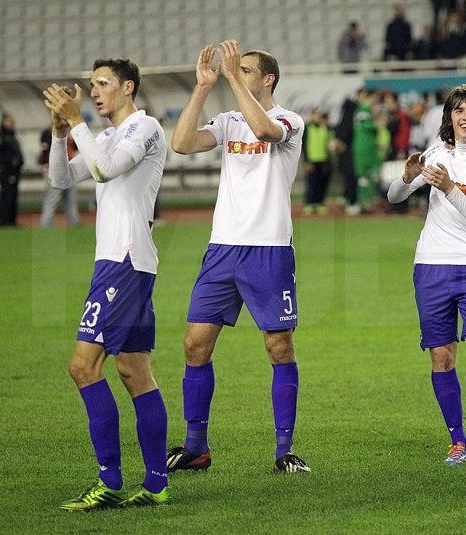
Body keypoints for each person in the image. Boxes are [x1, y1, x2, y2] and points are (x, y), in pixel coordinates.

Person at [167, 42, 310, 474]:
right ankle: (196, 447)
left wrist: (230, 78)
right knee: (194, 344)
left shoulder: (289, 121)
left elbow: (265, 132)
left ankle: (284, 451)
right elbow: (182, 143)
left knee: (278, 346)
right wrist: (202, 87)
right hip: (222, 249)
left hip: (269, 249)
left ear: (268, 79)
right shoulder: (228, 122)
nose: (237, 71)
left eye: (246, 69)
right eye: (237, 67)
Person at [43, 57, 170, 509]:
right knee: (134, 372)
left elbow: (104, 171)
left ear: (127, 87)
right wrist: (62, 132)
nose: (93, 92)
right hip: (123, 263)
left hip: (124, 261)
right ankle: (157, 485)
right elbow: (62, 179)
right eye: (91, 85)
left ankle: (111, 480)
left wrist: (77, 121)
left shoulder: (145, 127)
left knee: (83, 367)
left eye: (102, 84)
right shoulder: (112, 135)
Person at [387, 85, 466, 465]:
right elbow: (394, 197)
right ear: (450, 117)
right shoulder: (436, 152)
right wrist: (407, 177)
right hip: (430, 266)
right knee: (442, 357)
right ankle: (458, 440)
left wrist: (449, 187)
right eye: (458, 109)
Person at [40, 126, 81, 227]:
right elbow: (45, 150)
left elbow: (76, 146)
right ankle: (46, 222)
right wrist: (43, 163)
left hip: (69, 167)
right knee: (52, 197)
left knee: (71, 198)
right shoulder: (48, 133)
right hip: (55, 168)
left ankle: (74, 221)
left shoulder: (70, 134)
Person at [0, 113, 23, 227]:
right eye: (9, 121)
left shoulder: (12, 135)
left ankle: (12, 221)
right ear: (4, 122)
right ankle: (4, 221)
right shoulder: (0, 136)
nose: (12, 124)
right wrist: (8, 162)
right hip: (6, 170)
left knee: (13, 196)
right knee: (6, 195)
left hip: (15, 171)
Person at [302, 109, 333, 215]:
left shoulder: (325, 128)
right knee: (311, 183)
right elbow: (304, 145)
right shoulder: (307, 128)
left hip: (323, 159)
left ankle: (319, 203)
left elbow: (329, 144)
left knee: (322, 183)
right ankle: (310, 203)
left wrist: (329, 161)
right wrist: (306, 160)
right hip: (312, 159)